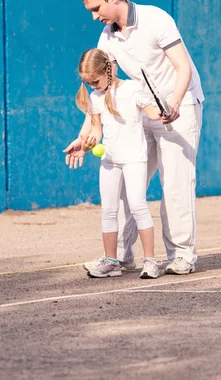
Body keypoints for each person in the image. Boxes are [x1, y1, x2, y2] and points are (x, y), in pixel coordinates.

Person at [64, 0, 204, 275]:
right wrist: (84, 133)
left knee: (176, 184)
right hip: (140, 108)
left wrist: (174, 104)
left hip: (179, 106)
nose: (94, 17)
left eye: (96, 9)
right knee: (130, 183)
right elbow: (104, 90)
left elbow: (183, 68)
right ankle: (120, 257)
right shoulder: (107, 37)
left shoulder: (156, 20)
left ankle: (182, 255)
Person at [74, 47, 164, 279]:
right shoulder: (95, 97)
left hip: (134, 158)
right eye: (88, 82)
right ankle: (112, 262)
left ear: (107, 71)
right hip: (109, 161)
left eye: (95, 80)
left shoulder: (133, 89)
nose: (93, 86)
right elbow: (96, 129)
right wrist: (88, 143)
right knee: (109, 210)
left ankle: (151, 261)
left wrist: (166, 111)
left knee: (138, 206)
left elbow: (154, 114)